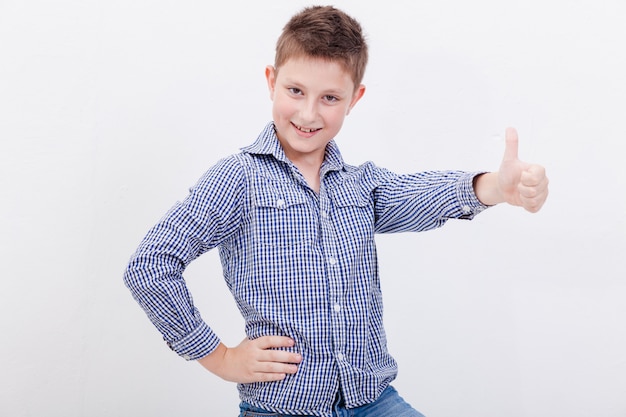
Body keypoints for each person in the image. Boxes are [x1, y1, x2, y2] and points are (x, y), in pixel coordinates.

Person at [123, 5, 549, 417]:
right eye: (295, 91)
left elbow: (419, 193)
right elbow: (149, 265)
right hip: (283, 406)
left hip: (374, 400)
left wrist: (494, 185)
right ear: (271, 81)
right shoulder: (238, 179)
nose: (309, 113)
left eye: (329, 97)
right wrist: (218, 357)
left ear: (354, 98)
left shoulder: (359, 185)